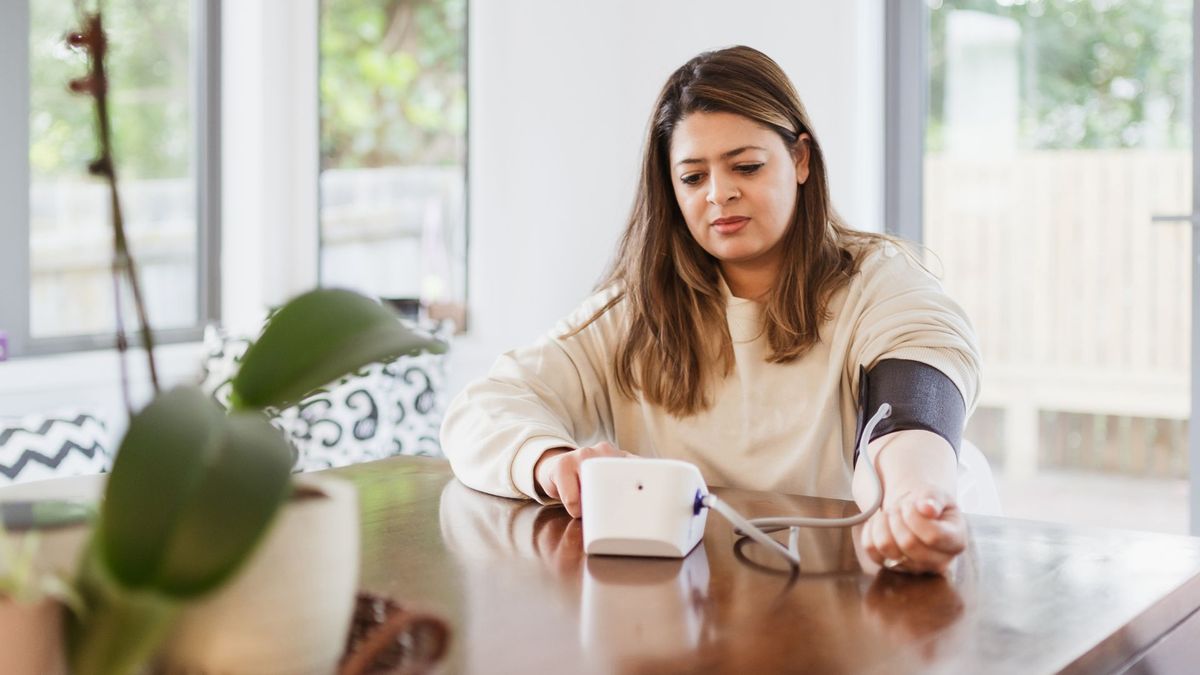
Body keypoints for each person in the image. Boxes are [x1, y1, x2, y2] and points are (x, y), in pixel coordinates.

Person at [441, 45, 981, 575]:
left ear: (800, 159)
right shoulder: (637, 310)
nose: (719, 194)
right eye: (693, 178)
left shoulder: (880, 283)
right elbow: (484, 408)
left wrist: (915, 501)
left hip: (831, 598)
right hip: (666, 608)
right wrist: (549, 461)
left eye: (745, 166)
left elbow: (911, 415)